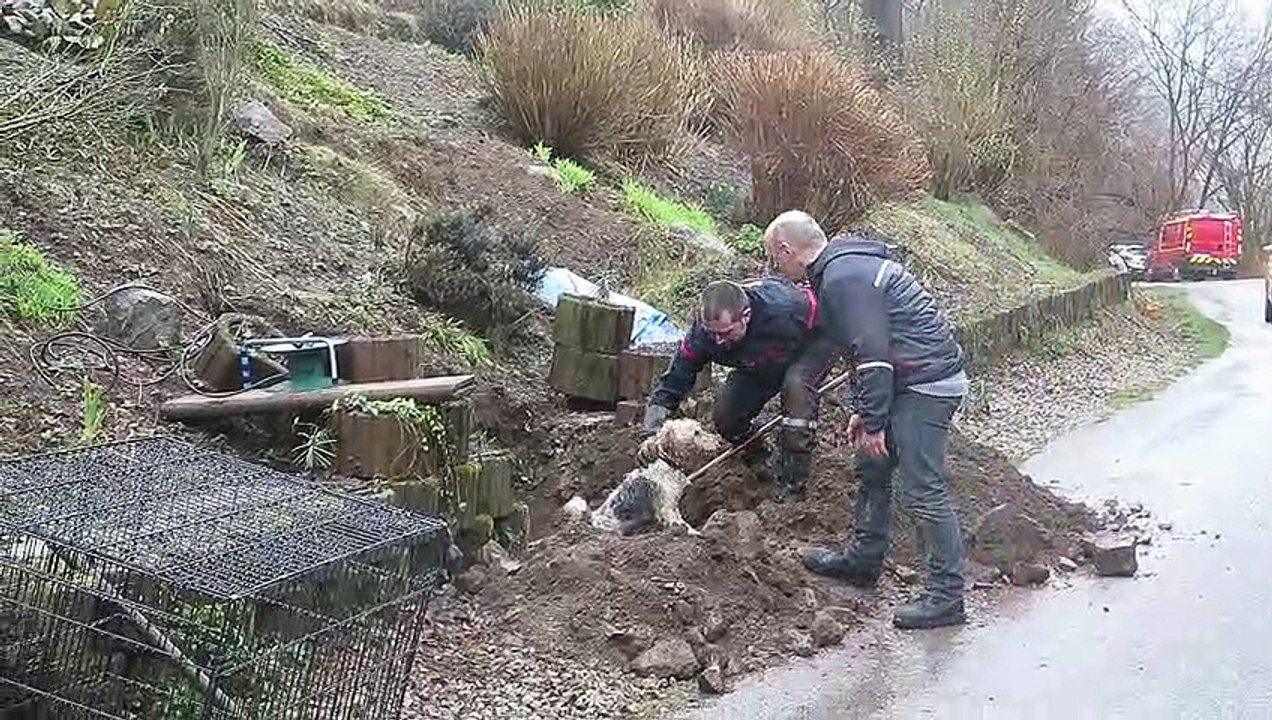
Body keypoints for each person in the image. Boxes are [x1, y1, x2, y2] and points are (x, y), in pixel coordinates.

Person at [763, 209, 971, 631]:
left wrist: (876, 422)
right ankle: (863, 559)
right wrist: (864, 409)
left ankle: (946, 596)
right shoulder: (845, 267)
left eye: (773, 258)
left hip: (927, 385)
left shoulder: (844, 278)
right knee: (872, 465)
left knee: (923, 486)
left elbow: (873, 352)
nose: (774, 268)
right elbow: (861, 348)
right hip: (910, 378)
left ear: (786, 250)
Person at [643, 278, 828, 503]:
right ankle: (760, 457)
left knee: (796, 392)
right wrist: (657, 411)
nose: (718, 341)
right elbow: (681, 370)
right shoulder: (703, 334)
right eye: (713, 334)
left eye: (726, 333)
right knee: (726, 418)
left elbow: (836, 313)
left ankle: (792, 486)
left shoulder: (786, 307)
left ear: (746, 316)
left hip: (808, 351)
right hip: (757, 365)